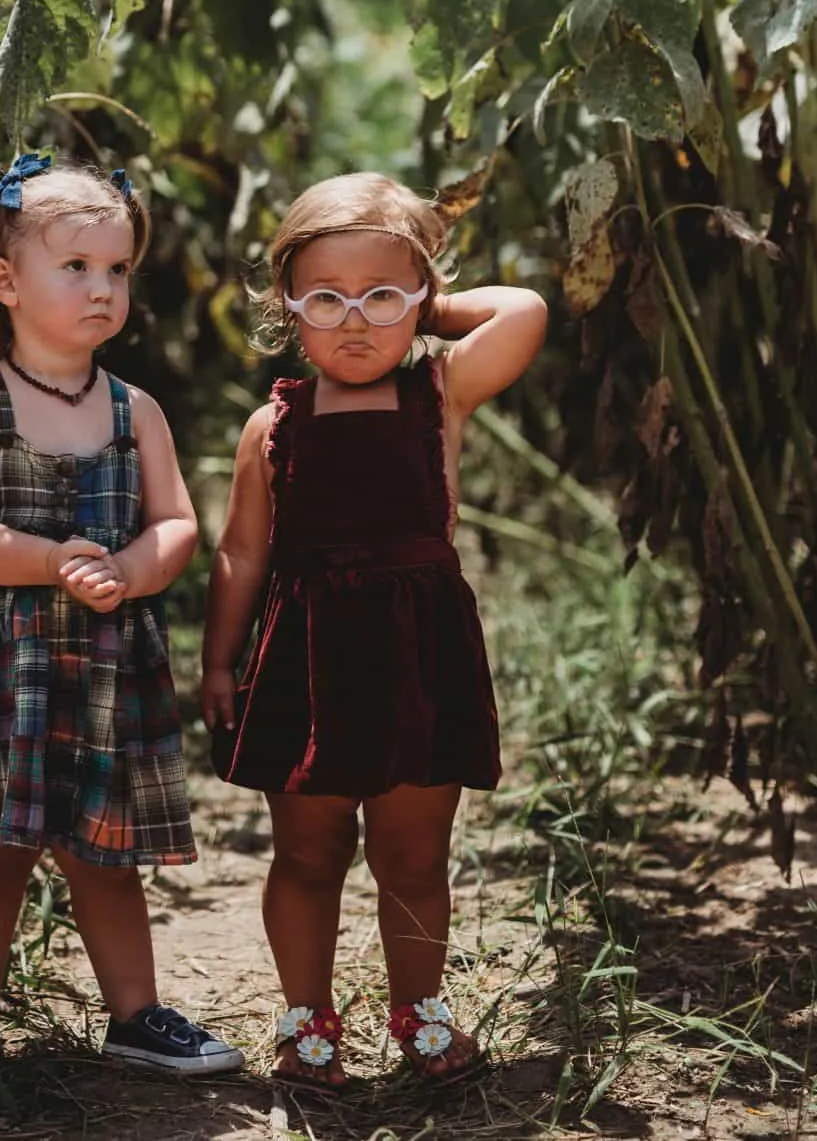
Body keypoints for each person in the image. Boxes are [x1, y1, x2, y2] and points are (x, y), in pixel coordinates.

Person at [201, 173, 548, 1089]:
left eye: (382, 296)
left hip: (417, 657)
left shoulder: (442, 391)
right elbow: (240, 553)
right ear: (288, 306)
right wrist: (217, 660)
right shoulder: (272, 426)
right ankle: (306, 1023)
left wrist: (427, 307)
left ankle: (421, 1016)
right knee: (309, 851)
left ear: (423, 302)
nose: (354, 320)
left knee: (413, 851)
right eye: (326, 298)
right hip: (307, 661)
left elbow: (525, 307)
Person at [0, 153, 242, 1096]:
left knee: (106, 853)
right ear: (4, 280)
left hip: (102, 666)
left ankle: (136, 1016)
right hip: (1, 667)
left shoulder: (135, 411)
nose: (103, 289)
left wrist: (134, 570)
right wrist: (52, 559)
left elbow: (176, 520)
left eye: (119, 269)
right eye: (77, 267)